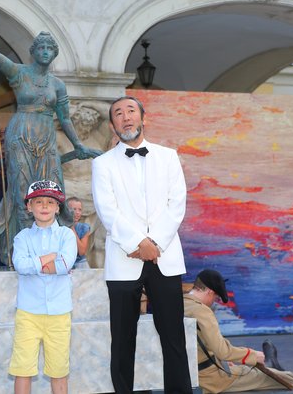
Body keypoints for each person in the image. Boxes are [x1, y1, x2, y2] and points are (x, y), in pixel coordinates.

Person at [0, 6, 100, 266]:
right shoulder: (19, 73)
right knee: (22, 189)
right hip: (21, 133)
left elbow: (64, 118)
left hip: (46, 137)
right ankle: (19, 253)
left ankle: (49, 246)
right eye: (40, 48)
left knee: (51, 189)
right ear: (33, 52)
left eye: (49, 49)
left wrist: (78, 145)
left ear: (53, 54)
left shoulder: (58, 84)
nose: (44, 52)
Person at [91, 96, 192, 393]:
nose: (125, 117)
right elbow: (107, 210)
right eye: (118, 114)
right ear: (113, 125)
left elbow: (177, 204)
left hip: (166, 257)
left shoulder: (169, 156)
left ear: (142, 117)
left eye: (130, 111)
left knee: (174, 337)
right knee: (122, 340)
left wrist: (154, 243)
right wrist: (138, 243)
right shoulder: (102, 163)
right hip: (124, 260)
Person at [185, 269, 293, 393]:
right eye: (215, 298)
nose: (213, 302)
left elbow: (198, 343)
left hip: (190, 372)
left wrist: (220, 358)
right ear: (209, 291)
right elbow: (222, 351)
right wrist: (251, 355)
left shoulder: (182, 302)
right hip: (210, 379)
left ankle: (273, 364)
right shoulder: (202, 311)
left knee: (261, 370)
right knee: (279, 378)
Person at [10, 180, 77, 394]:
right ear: (29, 207)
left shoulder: (67, 235)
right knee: (23, 369)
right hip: (28, 313)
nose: (45, 206)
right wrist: (50, 258)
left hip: (59, 313)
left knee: (59, 372)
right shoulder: (22, 238)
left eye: (50, 202)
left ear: (58, 208)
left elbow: (66, 263)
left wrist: (35, 263)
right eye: (38, 202)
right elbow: (21, 266)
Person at [66, 196, 91, 269]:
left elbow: (81, 251)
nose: (77, 212)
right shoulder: (59, 228)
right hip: (64, 263)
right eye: (74, 209)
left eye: (80, 210)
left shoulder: (84, 228)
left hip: (80, 263)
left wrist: (72, 229)